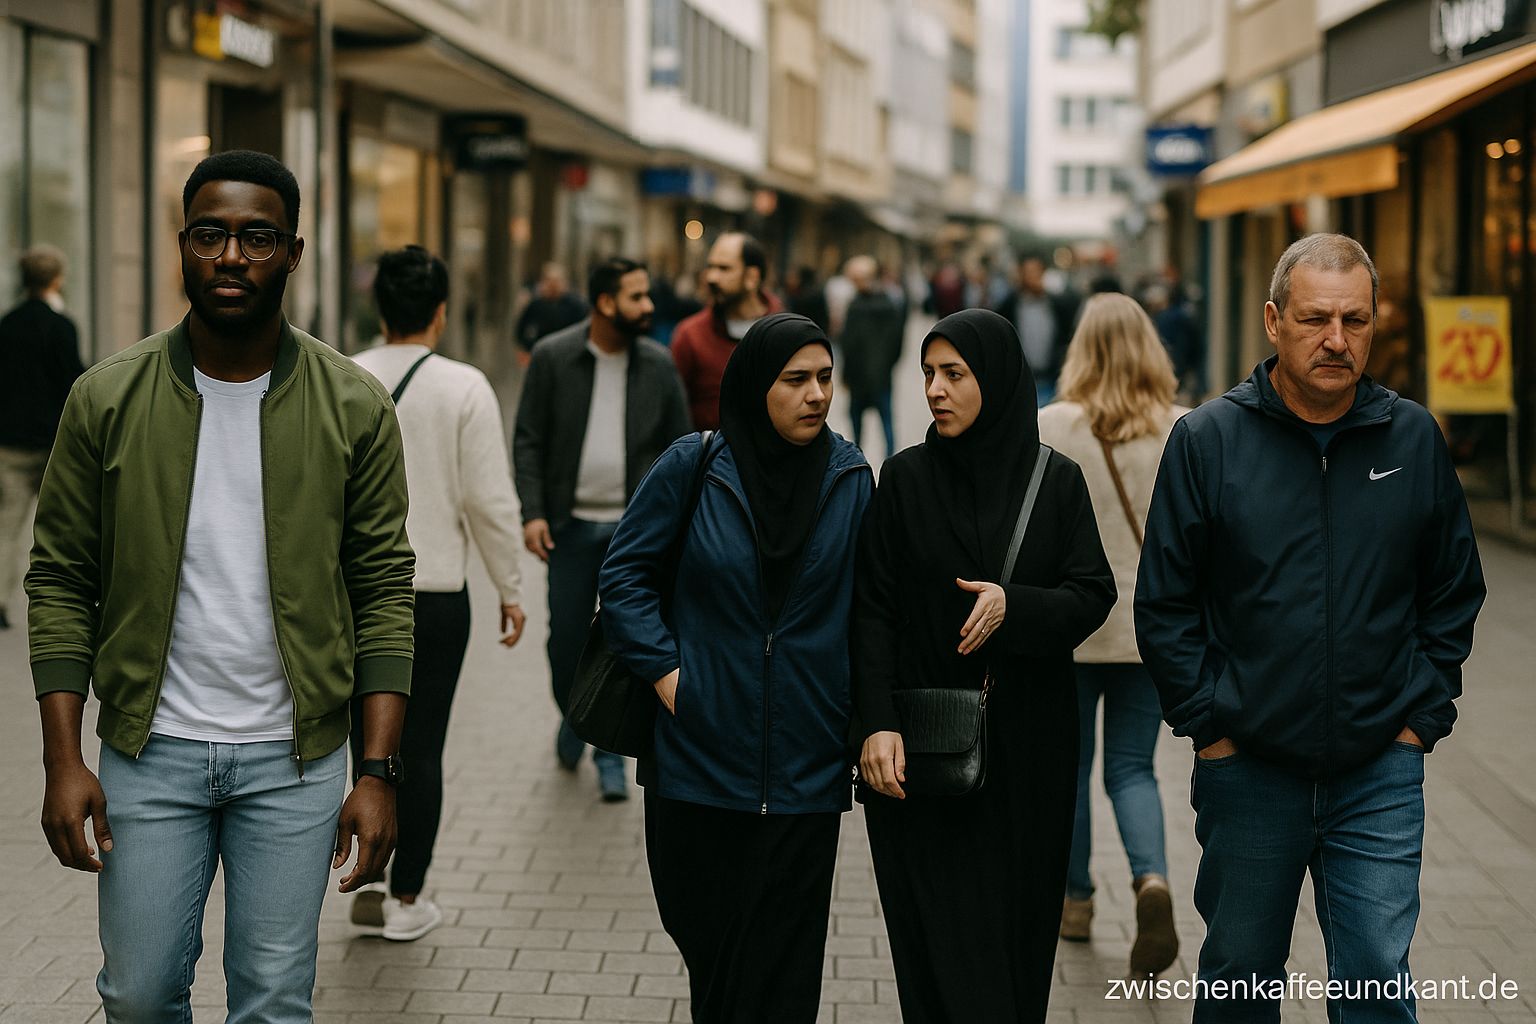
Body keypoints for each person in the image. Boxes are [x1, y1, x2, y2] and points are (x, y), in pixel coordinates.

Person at [27, 150, 414, 1022]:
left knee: (274, 1002)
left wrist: (378, 771)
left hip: (296, 760)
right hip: (148, 750)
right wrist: (63, 760)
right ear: (183, 246)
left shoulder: (354, 406)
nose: (232, 256)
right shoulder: (106, 398)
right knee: (137, 994)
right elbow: (58, 580)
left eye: (257, 237)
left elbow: (386, 587)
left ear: (294, 252)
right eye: (210, 234)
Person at [1136, 234, 1487, 1023]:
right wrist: (1209, 727)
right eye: (1315, 319)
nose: (1336, 339)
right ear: (1272, 321)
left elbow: (1453, 589)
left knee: (1375, 981)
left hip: (1379, 772)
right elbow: (1164, 602)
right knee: (1238, 981)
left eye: (1354, 320)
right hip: (1250, 767)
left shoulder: (1413, 439)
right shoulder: (1208, 440)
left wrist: (1419, 720)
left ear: (1375, 324)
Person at [598, 313, 873, 1022]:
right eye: (796, 380)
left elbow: (873, 613)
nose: (816, 394)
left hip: (806, 768)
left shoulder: (850, 478)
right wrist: (669, 674)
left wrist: (862, 718)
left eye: (824, 378)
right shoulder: (695, 465)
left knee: (783, 967)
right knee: (711, 943)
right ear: (756, 386)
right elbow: (624, 576)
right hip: (697, 758)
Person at [855, 308, 1116, 1023]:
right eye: (929, 375)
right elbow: (871, 610)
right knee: (936, 940)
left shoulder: (1054, 481)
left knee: (1015, 937)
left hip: (1030, 749)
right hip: (924, 750)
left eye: (955, 374)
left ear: (996, 380)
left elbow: (1094, 592)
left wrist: (1015, 607)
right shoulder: (904, 479)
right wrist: (874, 724)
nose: (936, 390)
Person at [348, 245, 527, 941]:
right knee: (420, 751)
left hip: (354, 594)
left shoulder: (343, 375)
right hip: (434, 593)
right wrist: (511, 586)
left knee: (364, 749)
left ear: (378, 308)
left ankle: (361, 878)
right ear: (442, 312)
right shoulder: (464, 387)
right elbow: (489, 501)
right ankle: (407, 896)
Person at [1038, 293, 1187, 975]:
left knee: (1066, 769)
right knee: (1132, 769)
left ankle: (1074, 901)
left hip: (1069, 631)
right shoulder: (1182, 430)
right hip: (1147, 631)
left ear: (1080, 348)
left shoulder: (1051, 426)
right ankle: (1151, 880)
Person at [513, 257, 691, 802]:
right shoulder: (552, 357)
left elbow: (682, 448)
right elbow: (528, 439)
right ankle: (576, 717)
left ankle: (607, 750)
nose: (649, 306)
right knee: (564, 642)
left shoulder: (659, 366)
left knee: (622, 643)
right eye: (637, 297)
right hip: (568, 528)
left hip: (633, 536)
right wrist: (534, 511)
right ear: (606, 303)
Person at [0, 245, 86, 630]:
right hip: (54, 445)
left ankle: (0, 603)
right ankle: (69, 604)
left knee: (7, 527)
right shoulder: (61, 326)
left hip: (10, 444)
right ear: (55, 279)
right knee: (64, 527)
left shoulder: (7, 325)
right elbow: (76, 384)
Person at [671, 232, 782, 430]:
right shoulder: (690, 335)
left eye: (724, 268)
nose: (711, 277)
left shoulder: (784, 332)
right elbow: (672, 410)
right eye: (710, 267)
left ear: (752, 276)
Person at [838, 255, 904, 459]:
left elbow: (848, 345)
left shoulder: (856, 307)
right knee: (886, 424)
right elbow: (898, 343)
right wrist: (886, 366)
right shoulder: (889, 305)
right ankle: (890, 464)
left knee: (858, 426)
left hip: (860, 377)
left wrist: (846, 374)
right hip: (881, 376)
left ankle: (858, 463)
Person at [995, 257, 1080, 406]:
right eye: (1029, 272)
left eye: (1037, 272)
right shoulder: (1010, 306)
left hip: (1051, 378)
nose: (1033, 277)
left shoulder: (1057, 304)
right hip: (1021, 378)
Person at [515, 262, 588, 359]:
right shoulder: (536, 304)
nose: (553, 285)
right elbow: (522, 327)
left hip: (567, 354)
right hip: (542, 354)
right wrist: (525, 349)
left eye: (556, 281)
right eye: (549, 281)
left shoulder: (576, 306)